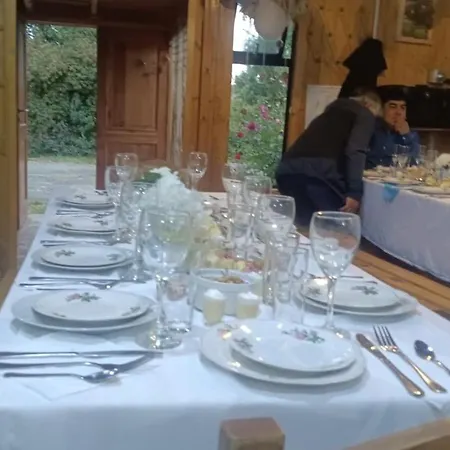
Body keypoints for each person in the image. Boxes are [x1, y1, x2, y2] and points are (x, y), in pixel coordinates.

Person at [275, 88, 381, 226]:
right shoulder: (364, 114)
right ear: (368, 105)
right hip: (320, 175)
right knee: (332, 229)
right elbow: (355, 151)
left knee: (303, 227)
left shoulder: (328, 114)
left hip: (288, 170)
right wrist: (354, 192)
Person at [365, 88, 420, 169]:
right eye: (393, 107)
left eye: (402, 108)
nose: (398, 112)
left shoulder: (411, 136)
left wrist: (406, 136)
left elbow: (413, 165)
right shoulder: (369, 129)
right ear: (381, 109)